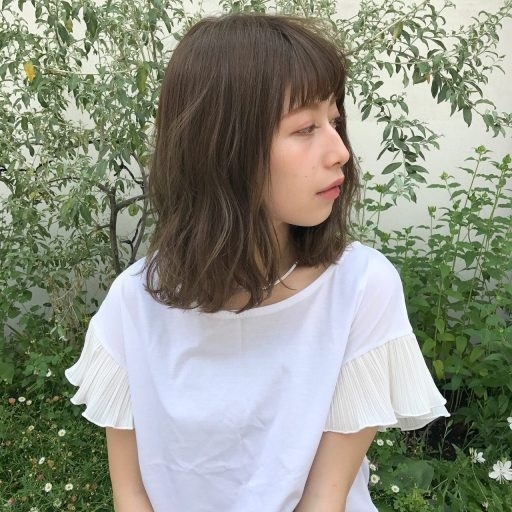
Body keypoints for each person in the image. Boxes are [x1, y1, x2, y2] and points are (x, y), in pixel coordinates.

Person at [66, 12, 449, 512]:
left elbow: (324, 499)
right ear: (221, 147)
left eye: (334, 122)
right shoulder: (134, 304)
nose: (340, 152)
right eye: (305, 128)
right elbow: (132, 495)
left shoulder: (359, 288)